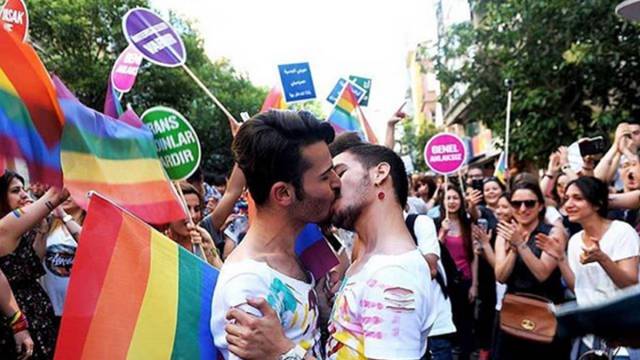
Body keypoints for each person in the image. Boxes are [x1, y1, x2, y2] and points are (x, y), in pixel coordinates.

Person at [211, 110, 340, 359]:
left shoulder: (300, 252)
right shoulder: (249, 283)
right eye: (325, 177)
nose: (337, 182)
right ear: (283, 194)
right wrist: (285, 352)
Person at [536, 177, 639, 359]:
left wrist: (602, 258)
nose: (569, 204)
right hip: (590, 341)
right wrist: (560, 258)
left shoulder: (622, 232)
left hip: (621, 343)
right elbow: (578, 287)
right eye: (566, 198)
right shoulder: (575, 240)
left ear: (597, 204)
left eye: (577, 198)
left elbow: (630, 284)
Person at [494, 181, 570, 359]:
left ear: (540, 206)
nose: (522, 209)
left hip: (545, 313)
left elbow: (542, 273)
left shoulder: (552, 233)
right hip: (514, 311)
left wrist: (521, 244)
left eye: (529, 203)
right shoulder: (504, 235)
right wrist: (513, 249)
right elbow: (500, 276)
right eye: (516, 204)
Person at [0, 171, 69, 359]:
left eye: (24, 189)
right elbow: (58, 194)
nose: (24, 194)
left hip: (36, 312)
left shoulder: (18, 229)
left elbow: (30, 265)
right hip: (18, 315)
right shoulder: (4, 226)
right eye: (15, 190)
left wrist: (41, 233)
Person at [437, 184, 477, 360]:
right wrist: (442, 233)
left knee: (466, 324)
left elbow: (473, 257)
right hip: (446, 284)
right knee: (450, 323)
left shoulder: (468, 224)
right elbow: (434, 252)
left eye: (455, 198)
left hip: (466, 281)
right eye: (448, 198)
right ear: (442, 201)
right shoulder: (436, 223)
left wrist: (474, 285)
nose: (452, 202)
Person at [41, 197, 84, 328]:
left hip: (82, 309)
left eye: (71, 192)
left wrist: (64, 216)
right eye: (62, 192)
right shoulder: (49, 224)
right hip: (50, 308)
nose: (65, 196)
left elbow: (90, 244)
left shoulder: (92, 223)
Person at [166, 182, 222, 268]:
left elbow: (221, 278)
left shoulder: (203, 242)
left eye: (197, 209)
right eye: (185, 208)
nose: (193, 215)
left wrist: (211, 251)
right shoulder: (158, 243)